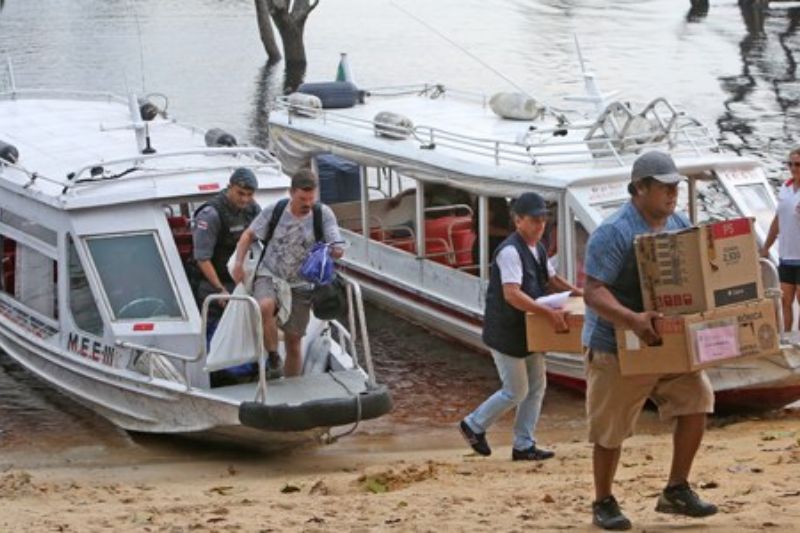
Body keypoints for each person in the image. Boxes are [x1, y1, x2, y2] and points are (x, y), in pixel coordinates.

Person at [582, 151, 717, 530]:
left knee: (698, 401)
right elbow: (593, 291)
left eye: (675, 185)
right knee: (611, 429)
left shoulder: (679, 223)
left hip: (668, 341)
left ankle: (676, 489)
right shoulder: (614, 232)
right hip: (615, 342)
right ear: (639, 189)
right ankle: (603, 501)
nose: (673, 193)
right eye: (663, 187)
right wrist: (631, 319)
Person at [459, 192, 583, 461]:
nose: (540, 226)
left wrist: (578, 293)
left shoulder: (536, 248)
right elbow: (512, 294)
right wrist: (548, 314)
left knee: (537, 386)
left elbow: (552, 278)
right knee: (516, 390)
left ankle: (524, 444)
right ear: (518, 221)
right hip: (507, 331)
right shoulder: (510, 252)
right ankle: (473, 424)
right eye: (535, 221)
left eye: (543, 221)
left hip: (528, 330)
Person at [232, 169, 343, 378]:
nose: (307, 203)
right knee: (265, 306)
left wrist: (336, 249)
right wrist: (239, 263)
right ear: (292, 193)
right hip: (271, 273)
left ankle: (292, 385)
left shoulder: (323, 214)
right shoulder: (275, 210)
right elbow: (248, 235)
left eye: (311, 198)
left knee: (294, 341)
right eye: (302, 198)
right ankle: (273, 356)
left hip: (302, 283)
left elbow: (335, 239)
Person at [192, 167, 261, 382]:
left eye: (249, 195)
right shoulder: (211, 214)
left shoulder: (252, 209)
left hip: (238, 277)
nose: (245, 199)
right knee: (216, 322)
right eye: (241, 193)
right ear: (230, 187)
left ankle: (253, 367)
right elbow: (202, 258)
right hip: (213, 280)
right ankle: (220, 372)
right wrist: (219, 290)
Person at [761, 146, 800, 332]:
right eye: (790, 164)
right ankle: (786, 337)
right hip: (786, 254)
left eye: (798, 164)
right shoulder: (785, 188)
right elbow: (778, 219)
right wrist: (767, 246)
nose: (793, 168)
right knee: (785, 300)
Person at [471, 196, 513, 267]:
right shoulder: (491, 198)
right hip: (488, 248)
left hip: (498, 247)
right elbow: (484, 227)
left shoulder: (500, 198)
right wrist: (509, 233)